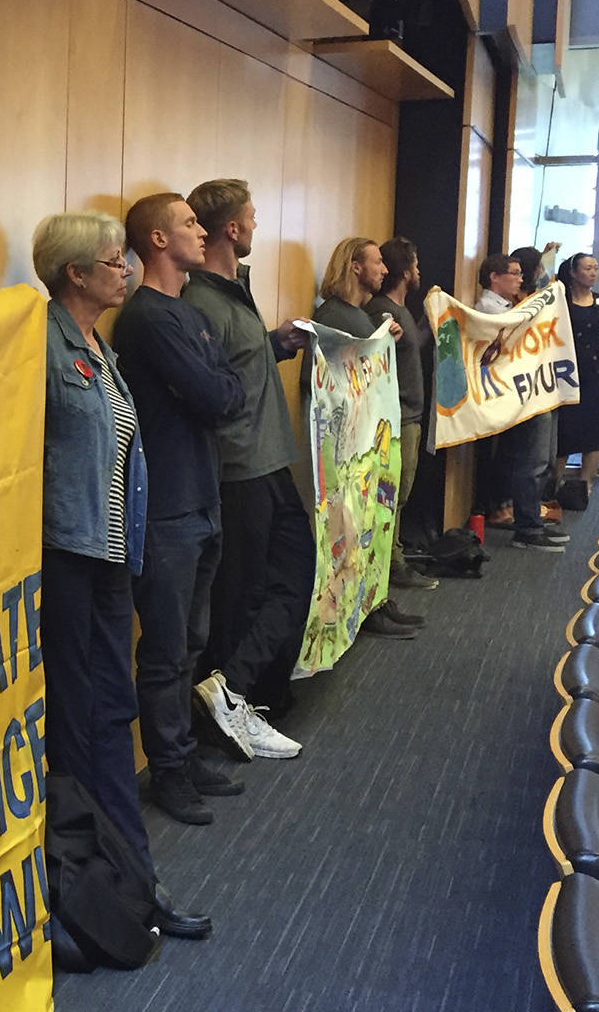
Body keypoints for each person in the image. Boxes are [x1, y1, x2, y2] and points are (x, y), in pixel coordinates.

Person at [28, 209, 212, 940]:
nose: (126, 271)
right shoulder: (39, 343)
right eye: (113, 262)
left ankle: (130, 880)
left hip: (108, 562)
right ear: (76, 274)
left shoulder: (96, 349)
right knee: (82, 724)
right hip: (67, 562)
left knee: (109, 718)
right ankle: (99, 888)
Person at [112, 191, 245, 830]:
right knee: (166, 650)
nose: (201, 231)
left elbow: (225, 388)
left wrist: (215, 384)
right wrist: (214, 385)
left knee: (193, 641)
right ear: (158, 241)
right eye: (189, 223)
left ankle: (182, 755)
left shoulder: (187, 312)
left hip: (203, 496)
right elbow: (216, 394)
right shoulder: (146, 318)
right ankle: (166, 770)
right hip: (165, 508)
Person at [179, 178, 311, 762]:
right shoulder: (200, 302)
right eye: (252, 219)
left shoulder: (234, 290)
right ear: (231, 229)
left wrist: (276, 344)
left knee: (292, 574)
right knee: (245, 593)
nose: (256, 226)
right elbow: (214, 388)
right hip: (239, 470)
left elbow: (240, 361)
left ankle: (233, 688)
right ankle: (231, 696)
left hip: (270, 460)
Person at [312, 236, 420, 634]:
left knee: (375, 523)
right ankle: (360, 612)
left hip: (370, 439)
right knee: (354, 531)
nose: (384, 270)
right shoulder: (337, 316)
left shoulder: (358, 315)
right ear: (355, 267)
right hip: (348, 447)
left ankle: (376, 601)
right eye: (376, 262)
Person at [475, 252, 568, 552]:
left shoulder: (513, 305)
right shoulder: (489, 309)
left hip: (530, 392)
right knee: (531, 462)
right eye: (514, 273)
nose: (520, 279)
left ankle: (530, 520)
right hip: (517, 395)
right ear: (494, 277)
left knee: (536, 460)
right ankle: (527, 528)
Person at [365, 237, 439, 592]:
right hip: (396, 416)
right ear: (406, 271)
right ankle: (390, 564)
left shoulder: (402, 309)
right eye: (416, 265)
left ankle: (393, 557)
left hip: (410, 412)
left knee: (402, 491)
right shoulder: (382, 311)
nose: (419, 271)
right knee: (394, 492)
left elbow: (411, 347)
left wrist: (428, 322)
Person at [550, 252, 599, 505]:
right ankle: (555, 480)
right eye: (587, 268)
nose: (593, 273)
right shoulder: (559, 300)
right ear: (573, 272)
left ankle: (585, 481)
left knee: (594, 427)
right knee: (564, 428)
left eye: (596, 268)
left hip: (597, 373)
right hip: (566, 372)